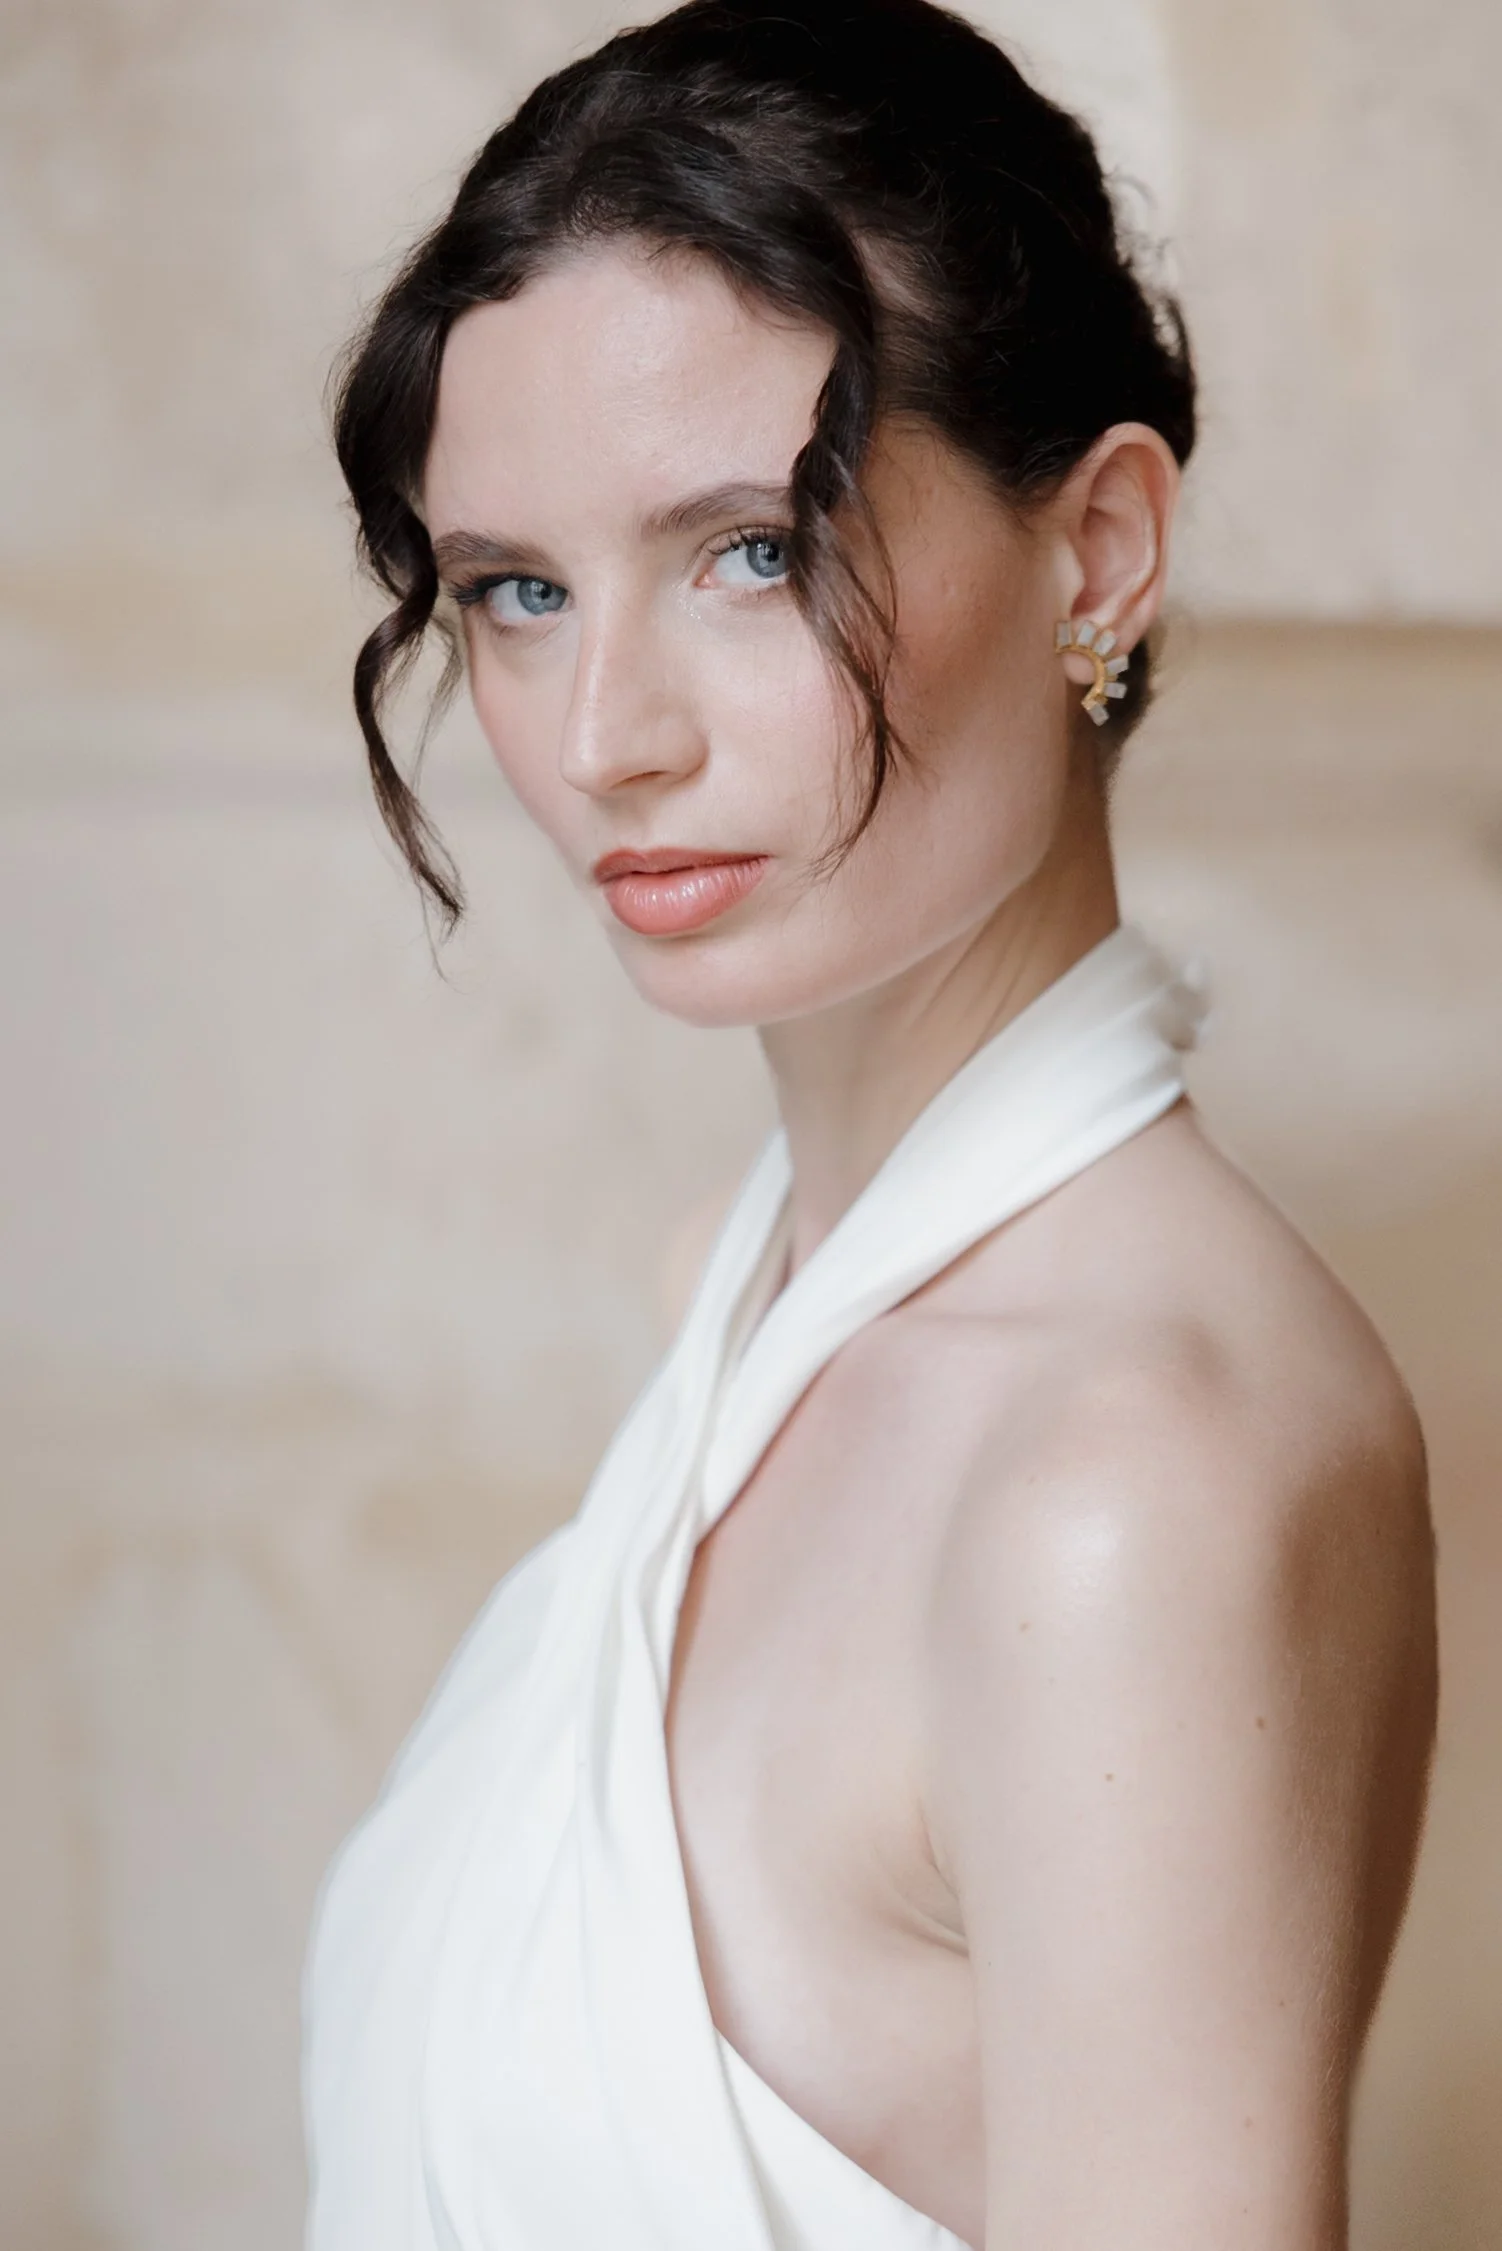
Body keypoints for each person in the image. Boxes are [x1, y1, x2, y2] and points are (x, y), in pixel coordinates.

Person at [302, 5, 1437, 2247]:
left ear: (1097, 547)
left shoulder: (1129, 1488)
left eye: (743, 550)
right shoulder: (755, 1305)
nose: (604, 735)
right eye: (515, 592)